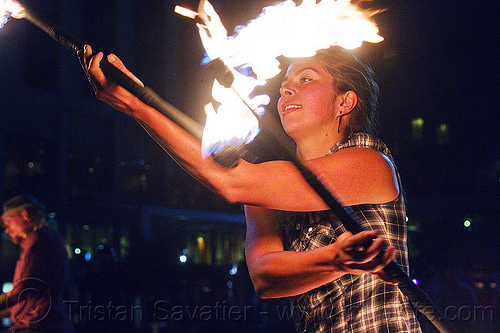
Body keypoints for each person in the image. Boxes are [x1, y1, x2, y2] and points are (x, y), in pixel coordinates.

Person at [80, 44, 422, 332]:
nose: (286, 89)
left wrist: (138, 106)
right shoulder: (267, 189)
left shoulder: (370, 162)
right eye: (285, 83)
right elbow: (265, 277)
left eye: (306, 79)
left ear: (345, 102)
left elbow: (229, 181)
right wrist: (334, 258)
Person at [0, 194, 74, 333]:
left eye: (8, 221)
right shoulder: (44, 240)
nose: (7, 229)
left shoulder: (39, 242)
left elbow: (23, 289)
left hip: (39, 328)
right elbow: (29, 301)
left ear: (25, 215)